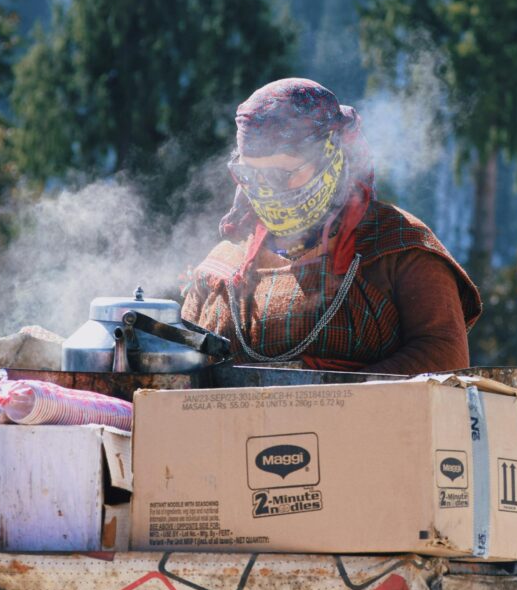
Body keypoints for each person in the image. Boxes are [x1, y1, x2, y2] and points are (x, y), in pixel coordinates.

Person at [182, 77, 481, 374]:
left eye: (283, 173)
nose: (266, 190)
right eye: (251, 175)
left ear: (331, 157)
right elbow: (178, 373)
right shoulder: (220, 269)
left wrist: (332, 400)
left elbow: (444, 356)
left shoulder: (399, 249)